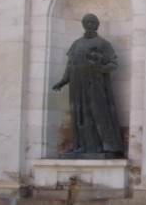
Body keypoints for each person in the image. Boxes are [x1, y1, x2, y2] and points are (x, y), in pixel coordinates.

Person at [52, 13, 124, 157]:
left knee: (97, 112)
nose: (89, 24)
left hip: (95, 82)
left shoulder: (103, 43)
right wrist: (64, 80)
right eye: (87, 22)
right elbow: (70, 64)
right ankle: (80, 145)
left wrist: (100, 68)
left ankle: (101, 146)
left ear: (97, 25)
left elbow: (113, 63)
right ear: (83, 24)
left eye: (92, 22)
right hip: (77, 82)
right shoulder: (77, 43)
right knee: (79, 113)